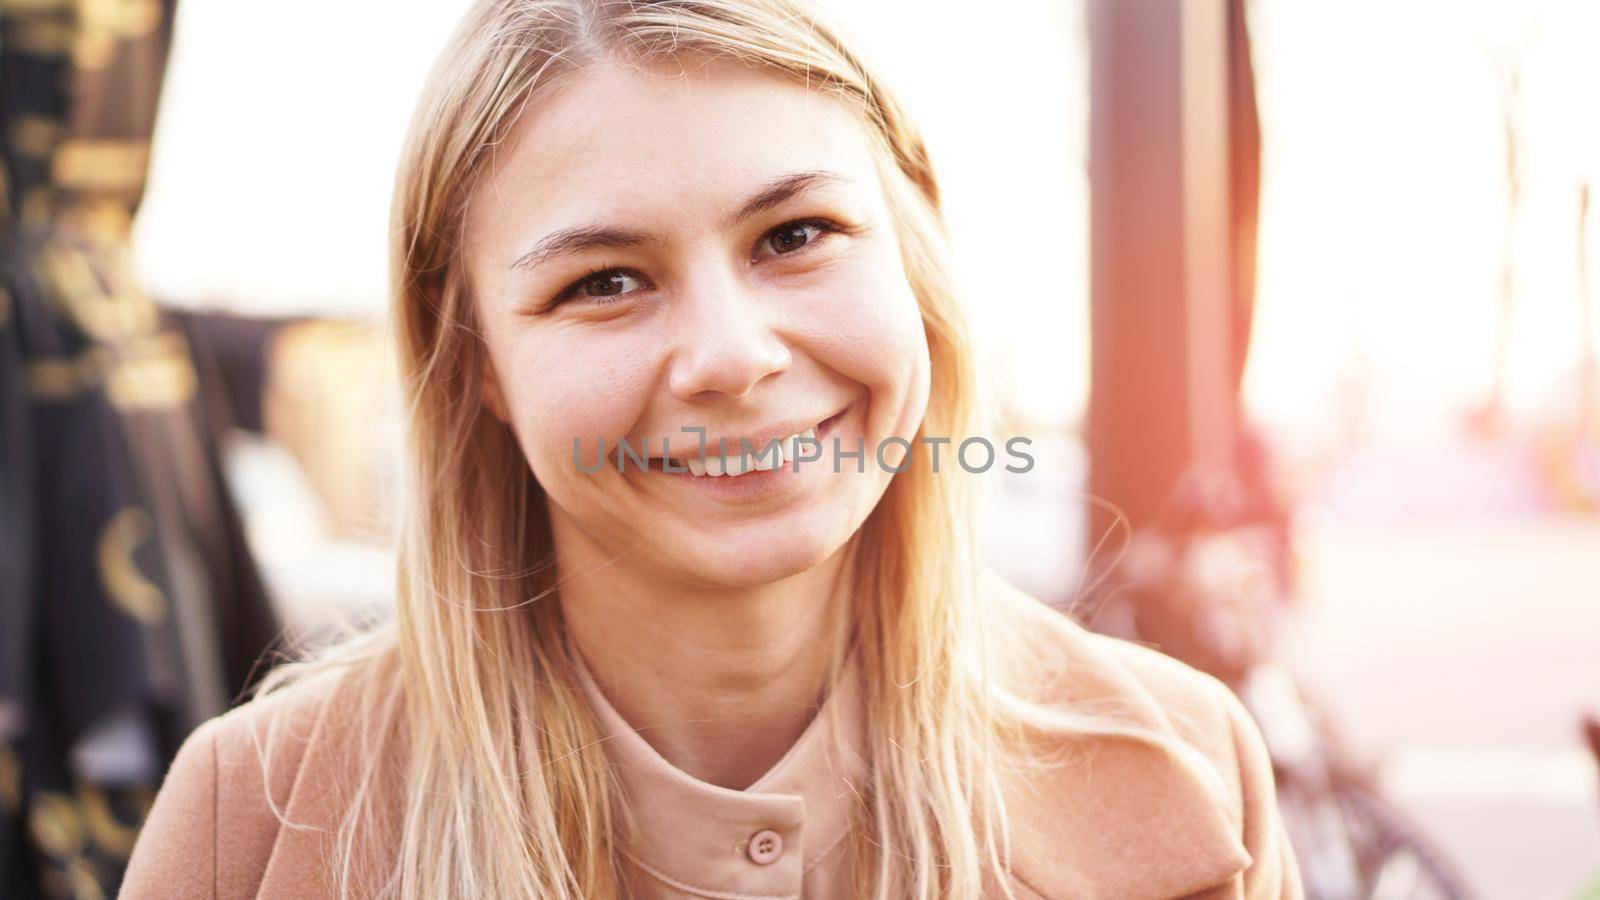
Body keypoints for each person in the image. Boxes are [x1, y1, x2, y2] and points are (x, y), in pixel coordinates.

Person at [119, 1, 1302, 897]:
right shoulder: (255, 825)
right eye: (607, 281)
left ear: (913, 256)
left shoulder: (1183, 773)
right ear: (474, 358)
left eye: (796, 234)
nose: (731, 357)